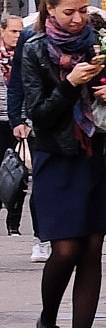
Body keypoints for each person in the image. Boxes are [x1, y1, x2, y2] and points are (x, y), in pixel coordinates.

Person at [21, 0, 106, 328]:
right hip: (58, 157)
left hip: (96, 153)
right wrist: (69, 84)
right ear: (50, 8)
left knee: (93, 248)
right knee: (65, 248)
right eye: (70, 12)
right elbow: (40, 115)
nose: (79, 18)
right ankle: (48, 321)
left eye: (84, 9)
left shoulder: (101, 40)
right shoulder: (34, 51)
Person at [5, 14, 51, 262]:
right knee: (41, 182)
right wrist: (17, 120)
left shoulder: (86, 35)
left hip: (77, 121)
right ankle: (41, 238)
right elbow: (18, 82)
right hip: (40, 121)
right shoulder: (31, 37)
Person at [1, 13, 28, 235]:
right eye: (13, 31)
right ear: (2, 31)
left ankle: (13, 223)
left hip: (16, 122)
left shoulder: (25, 56)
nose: (18, 36)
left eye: (21, 31)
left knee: (17, 172)